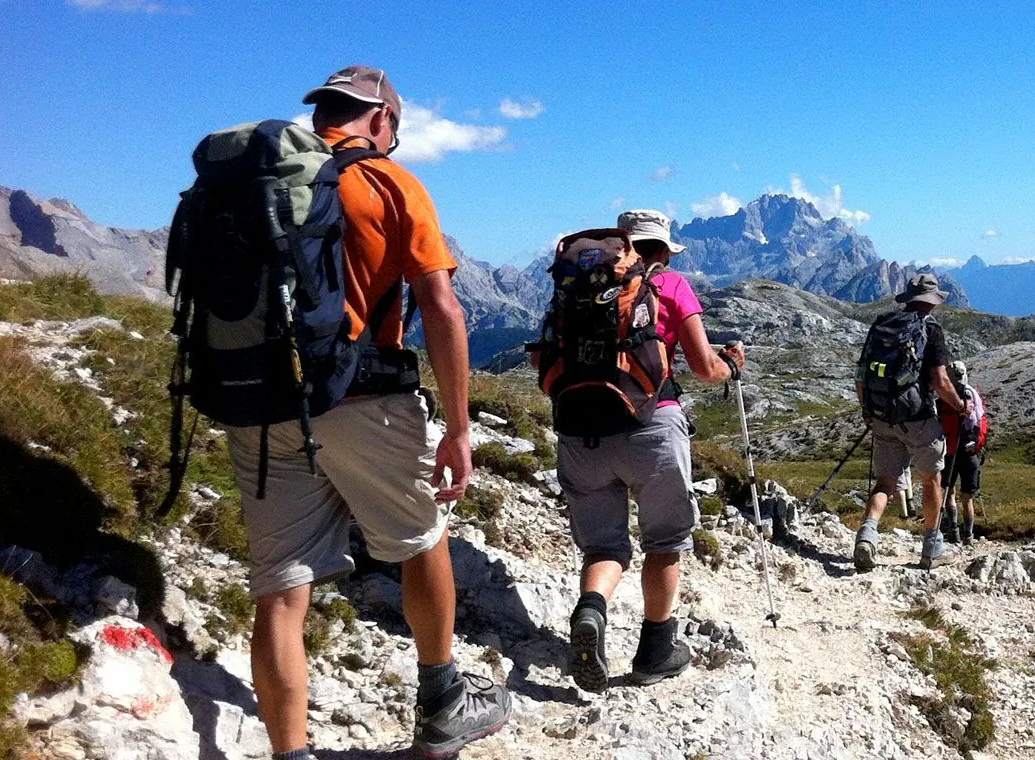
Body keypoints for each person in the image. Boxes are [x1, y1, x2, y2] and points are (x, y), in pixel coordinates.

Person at [227, 66, 508, 760]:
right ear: (380, 118)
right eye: (397, 129)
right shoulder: (388, 182)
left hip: (259, 403)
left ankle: (289, 753)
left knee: (280, 591)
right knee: (422, 539)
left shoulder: (253, 180)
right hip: (362, 398)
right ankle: (442, 702)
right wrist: (460, 429)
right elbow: (443, 309)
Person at [556, 209, 746, 692]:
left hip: (582, 429)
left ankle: (591, 610)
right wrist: (730, 366)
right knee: (664, 541)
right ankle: (655, 652)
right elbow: (704, 368)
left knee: (603, 546)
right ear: (660, 249)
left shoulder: (580, 284)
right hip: (652, 426)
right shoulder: (672, 285)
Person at [853, 273, 967, 571]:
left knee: (885, 482)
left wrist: (867, 410)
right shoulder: (931, 329)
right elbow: (940, 381)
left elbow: (861, 374)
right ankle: (932, 548)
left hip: (882, 415)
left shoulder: (882, 323)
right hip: (917, 417)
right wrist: (961, 406)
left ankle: (866, 536)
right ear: (932, 301)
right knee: (931, 479)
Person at [940, 360, 987, 545]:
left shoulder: (944, 396)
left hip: (949, 450)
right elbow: (980, 421)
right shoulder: (973, 394)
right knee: (967, 497)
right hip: (969, 451)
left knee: (949, 492)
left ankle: (953, 531)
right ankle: (969, 536)